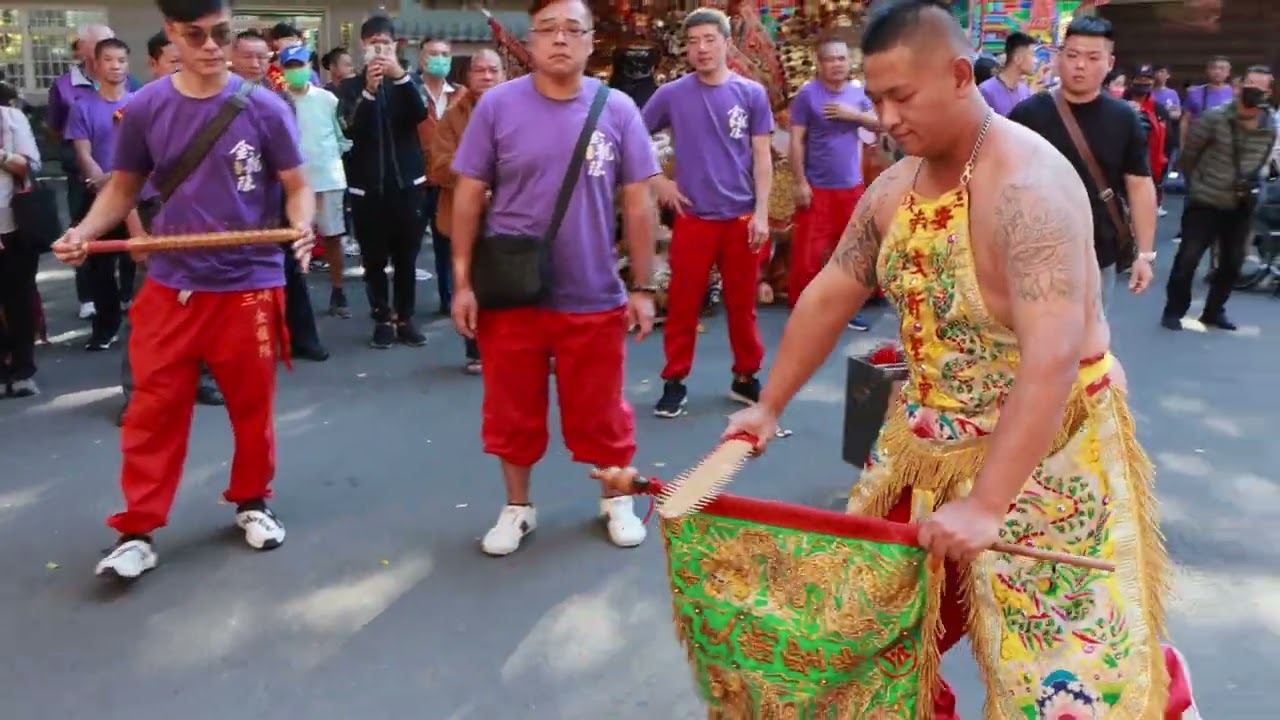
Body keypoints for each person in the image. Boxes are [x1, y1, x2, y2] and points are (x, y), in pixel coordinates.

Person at [715, 2, 1197, 716]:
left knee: (1067, 676)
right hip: (925, 435)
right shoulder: (893, 187)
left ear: (958, 75)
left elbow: (1053, 355)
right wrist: (767, 405)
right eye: (875, 100)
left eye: (900, 97)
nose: (884, 117)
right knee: (859, 625)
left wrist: (989, 505)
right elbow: (829, 294)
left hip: (1046, 449)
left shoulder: (1028, 188)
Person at [51, 0, 315, 582]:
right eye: (195, 35)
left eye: (221, 32)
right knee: (152, 412)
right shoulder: (146, 108)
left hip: (248, 283)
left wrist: (301, 226)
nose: (211, 46)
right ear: (172, 34)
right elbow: (123, 189)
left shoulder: (266, 108)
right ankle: (137, 529)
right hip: (172, 286)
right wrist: (84, 231)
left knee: (252, 410)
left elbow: (298, 186)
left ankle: (252, 500)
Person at [450, 0, 660, 556]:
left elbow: (639, 205)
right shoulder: (497, 106)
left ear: (592, 42)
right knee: (511, 408)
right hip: (512, 290)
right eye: (548, 29)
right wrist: (462, 282)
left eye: (573, 30)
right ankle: (518, 508)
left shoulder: (617, 109)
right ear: (530, 42)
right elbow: (468, 196)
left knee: (602, 409)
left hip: (591, 291)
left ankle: (617, 498)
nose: (561, 39)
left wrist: (643, 286)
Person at [643, 7, 773, 418]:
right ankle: (674, 380)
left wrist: (762, 213)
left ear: (725, 43)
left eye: (709, 40)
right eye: (693, 41)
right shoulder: (672, 94)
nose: (700, 49)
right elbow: (633, 134)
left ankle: (746, 376)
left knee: (741, 304)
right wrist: (656, 179)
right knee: (683, 303)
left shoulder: (751, 94)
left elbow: (762, 156)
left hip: (740, 218)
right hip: (695, 217)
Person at [115, 29, 225, 427]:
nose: (182, 66)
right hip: (154, 216)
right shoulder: (136, 112)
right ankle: (136, 394)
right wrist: (136, 234)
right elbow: (121, 184)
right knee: (148, 312)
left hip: (206, 221)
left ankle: (202, 378)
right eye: (172, 60)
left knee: (206, 304)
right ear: (154, 65)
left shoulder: (213, 108)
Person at [1007, 17, 1156, 309]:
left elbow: (1139, 184)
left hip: (1097, 252)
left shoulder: (1125, 118)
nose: (1080, 65)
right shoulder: (1027, 114)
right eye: (1072, 55)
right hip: (1031, 253)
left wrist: (1145, 255)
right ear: (1059, 57)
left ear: (1110, 62)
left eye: (1092, 57)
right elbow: (1000, 181)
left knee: (1090, 344)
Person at [337, 15, 430, 349]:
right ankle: (382, 318)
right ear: (363, 47)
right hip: (367, 188)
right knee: (373, 260)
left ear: (395, 45)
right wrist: (370, 90)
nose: (380, 51)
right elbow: (350, 126)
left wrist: (400, 77)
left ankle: (406, 318)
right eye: (374, 45)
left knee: (407, 257)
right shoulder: (349, 86)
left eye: (386, 45)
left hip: (407, 185)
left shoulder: (409, 81)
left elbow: (420, 114)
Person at [1162, 65, 1276, 332]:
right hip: (1205, 200)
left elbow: (1266, 156)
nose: (1254, 92)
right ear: (1239, 86)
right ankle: (1173, 310)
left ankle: (1214, 311)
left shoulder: (1269, 124)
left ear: (1269, 92)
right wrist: (1197, 186)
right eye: (1250, 85)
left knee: (1232, 263)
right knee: (1188, 259)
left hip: (1241, 204)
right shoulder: (1215, 118)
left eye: (1261, 88)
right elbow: (1190, 154)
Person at [787, 38, 877, 329]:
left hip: (851, 186)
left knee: (851, 252)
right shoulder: (807, 96)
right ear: (820, 63)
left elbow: (882, 122)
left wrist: (853, 115)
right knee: (808, 253)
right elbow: (796, 141)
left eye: (842, 58)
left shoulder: (858, 93)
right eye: (831, 59)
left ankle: (847, 310)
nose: (837, 64)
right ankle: (806, 310)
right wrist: (799, 182)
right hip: (817, 185)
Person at [429, 48, 504, 374]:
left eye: (493, 71)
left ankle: (516, 348)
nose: (486, 77)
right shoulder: (453, 116)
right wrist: (478, 172)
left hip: (513, 216)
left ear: (503, 75)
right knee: (471, 284)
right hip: (466, 215)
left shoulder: (522, 110)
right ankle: (476, 349)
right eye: (480, 71)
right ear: (468, 76)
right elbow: (439, 166)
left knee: (516, 282)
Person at [65, 37, 138, 351]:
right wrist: (104, 181)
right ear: (96, 64)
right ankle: (106, 326)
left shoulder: (141, 103)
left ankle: (144, 324)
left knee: (140, 261)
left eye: (121, 60)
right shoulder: (83, 106)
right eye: (108, 60)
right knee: (99, 266)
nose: (116, 66)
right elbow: (83, 152)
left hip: (138, 197)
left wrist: (119, 180)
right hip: (99, 198)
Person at [48, 24, 119, 321]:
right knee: (84, 233)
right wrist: (81, 163)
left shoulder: (131, 83)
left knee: (127, 235)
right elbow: (54, 127)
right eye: (101, 44)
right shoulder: (64, 86)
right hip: (81, 176)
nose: (110, 52)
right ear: (85, 50)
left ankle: (126, 293)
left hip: (122, 175)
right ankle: (87, 297)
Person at [282, 45, 353, 318]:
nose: (295, 71)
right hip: (293, 182)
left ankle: (338, 290)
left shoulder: (328, 99)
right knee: (295, 240)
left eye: (299, 65)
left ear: (309, 66)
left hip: (327, 177)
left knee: (333, 236)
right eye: (289, 66)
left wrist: (335, 155)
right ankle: (296, 298)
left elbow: (343, 136)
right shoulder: (279, 101)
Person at [415, 37, 464, 316]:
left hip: (450, 182)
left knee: (448, 244)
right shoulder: (408, 92)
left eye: (445, 54)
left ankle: (451, 298)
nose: (440, 58)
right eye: (433, 53)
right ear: (421, 57)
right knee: (408, 248)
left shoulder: (461, 95)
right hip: (418, 183)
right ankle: (402, 310)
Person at [0, 88, 43, 398]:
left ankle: (23, 369)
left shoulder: (12, 119)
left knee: (19, 298)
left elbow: (30, 166)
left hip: (13, 224)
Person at [977, 31, 1034, 116]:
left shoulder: (1025, 91)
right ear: (1017, 59)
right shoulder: (986, 91)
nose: (1035, 60)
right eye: (1032, 54)